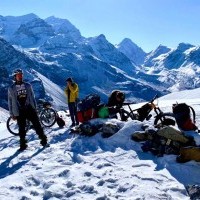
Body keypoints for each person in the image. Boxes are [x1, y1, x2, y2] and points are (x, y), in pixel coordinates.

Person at [8, 69, 48, 151]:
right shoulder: (11, 88)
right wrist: (12, 114)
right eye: (18, 75)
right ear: (15, 77)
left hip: (29, 108)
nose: (20, 76)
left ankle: (44, 140)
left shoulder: (28, 85)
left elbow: (32, 97)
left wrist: (35, 108)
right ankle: (23, 145)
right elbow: (10, 101)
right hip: (19, 110)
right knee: (21, 129)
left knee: (37, 125)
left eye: (21, 75)